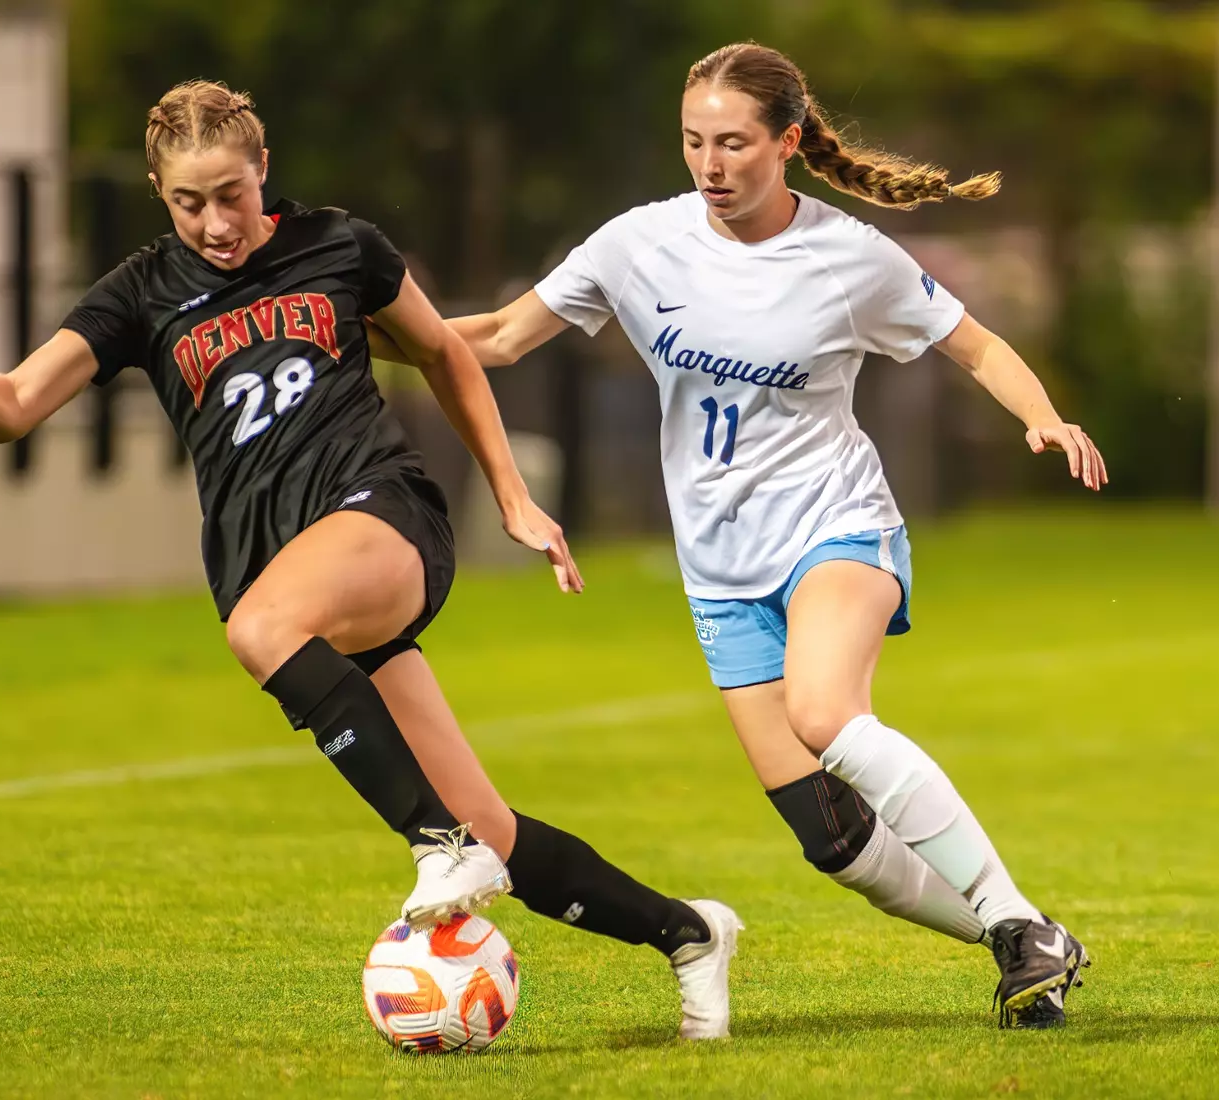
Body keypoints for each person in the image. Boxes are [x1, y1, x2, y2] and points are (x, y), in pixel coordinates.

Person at [0, 80, 740, 1039]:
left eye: (230, 193)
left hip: (383, 518)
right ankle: (689, 933)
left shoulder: (340, 245)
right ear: (159, 190)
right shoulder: (141, 293)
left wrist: (514, 497)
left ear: (263, 169)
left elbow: (445, 353)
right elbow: (15, 405)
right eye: (188, 201)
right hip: (280, 573)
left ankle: (437, 846)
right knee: (498, 834)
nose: (215, 221)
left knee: (267, 633)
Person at [375, 43, 1103, 1028]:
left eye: (733, 143)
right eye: (693, 142)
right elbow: (497, 336)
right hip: (720, 568)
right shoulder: (640, 244)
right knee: (831, 837)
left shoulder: (849, 256)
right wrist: (340, 321)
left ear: (788, 143)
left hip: (836, 525)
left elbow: (973, 341)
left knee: (824, 711)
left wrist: (1042, 414)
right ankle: (1021, 935)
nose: (710, 164)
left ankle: (1015, 915)